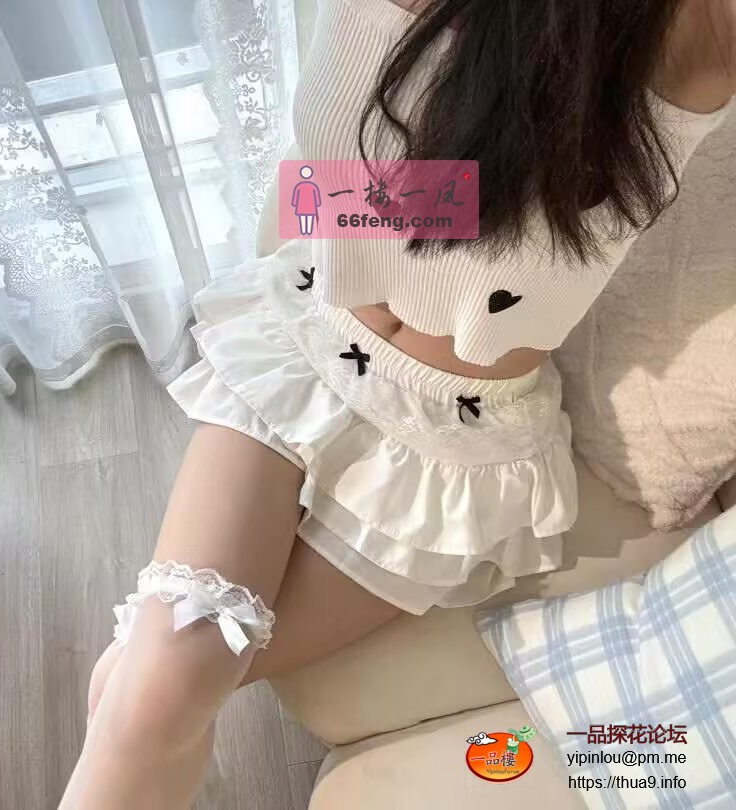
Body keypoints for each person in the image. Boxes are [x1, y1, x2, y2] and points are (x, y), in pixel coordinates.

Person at [60, 1, 736, 807]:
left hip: (452, 449)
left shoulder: (698, 28)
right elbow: (339, 190)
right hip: (307, 344)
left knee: (144, 686)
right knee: (153, 687)